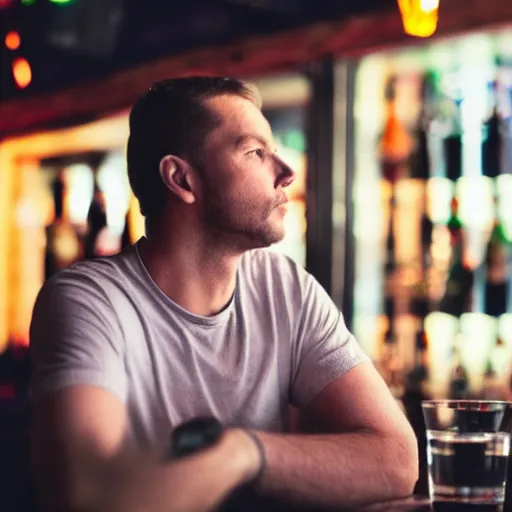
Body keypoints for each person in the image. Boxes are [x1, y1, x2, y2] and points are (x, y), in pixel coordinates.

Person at [29, 77, 418, 512]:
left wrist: (243, 454)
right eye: (255, 152)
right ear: (182, 179)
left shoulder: (287, 289)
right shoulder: (90, 302)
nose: (286, 171)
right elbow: (86, 493)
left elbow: (399, 461)